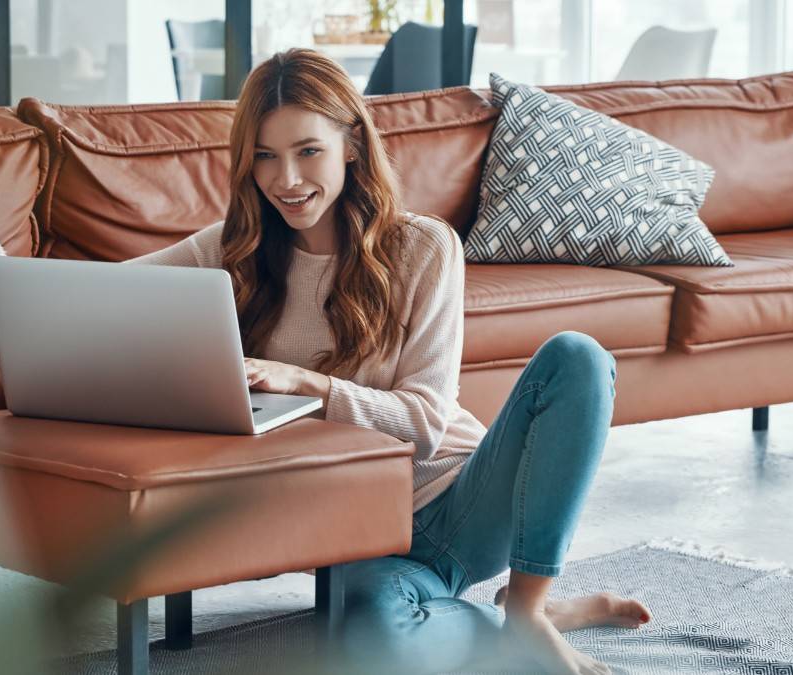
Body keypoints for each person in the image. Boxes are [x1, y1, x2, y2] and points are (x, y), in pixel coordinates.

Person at [127, 48, 651, 675]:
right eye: (264, 156)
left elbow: (428, 424)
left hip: (461, 499)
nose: (286, 179)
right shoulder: (230, 249)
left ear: (351, 143)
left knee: (579, 357)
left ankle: (530, 607)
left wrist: (311, 385)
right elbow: (99, 297)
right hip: (358, 535)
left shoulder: (422, 246)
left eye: (307, 151)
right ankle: (521, 619)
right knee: (381, 647)